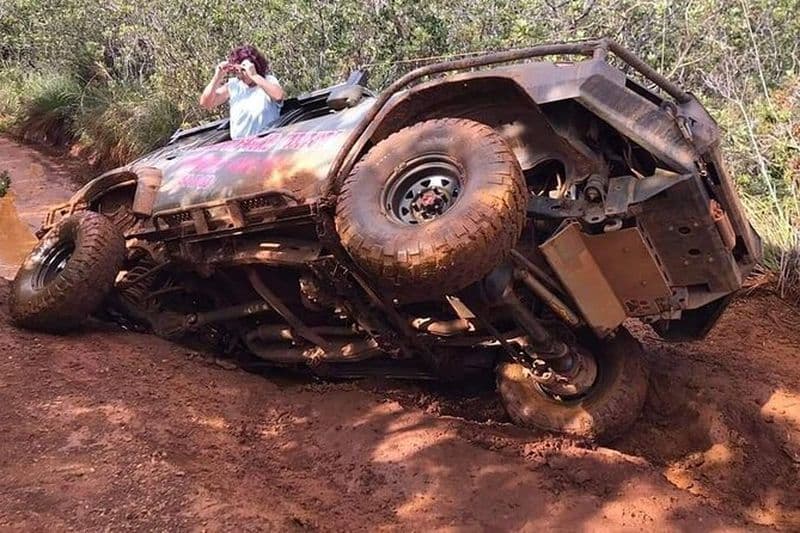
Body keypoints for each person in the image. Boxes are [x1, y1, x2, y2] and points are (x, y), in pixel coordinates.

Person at [199, 44, 286, 139]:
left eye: (243, 70)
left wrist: (254, 76)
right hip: (242, 147)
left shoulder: (268, 80)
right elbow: (206, 103)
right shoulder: (234, 85)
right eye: (237, 71)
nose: (240, 75)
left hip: (267, 143)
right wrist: (217, 77)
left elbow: (279, 96)